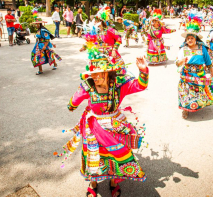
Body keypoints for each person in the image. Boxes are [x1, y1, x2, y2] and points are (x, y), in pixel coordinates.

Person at [58, 30, 149, 197]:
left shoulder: (118, 85)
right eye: (93, 73)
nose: (96, 76)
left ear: (108, 72)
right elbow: (75, 100)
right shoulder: (88, 86)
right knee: (94, 155)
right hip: (93, 126)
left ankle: (114, 181)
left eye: (100, 72)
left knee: (116, 153)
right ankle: (93, 184)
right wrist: (71, 105)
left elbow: (140, 86)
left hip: (115, 125)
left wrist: (143, 71)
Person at [177, 13, 213, 119]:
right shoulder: (183, 49)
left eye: (192, 38)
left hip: (199, 74)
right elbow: (177, 63)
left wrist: (211, 71)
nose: (190, 40)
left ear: (196, 39)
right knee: (185, 92)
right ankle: (185, 109)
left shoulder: (202, 48)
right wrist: (181, 62)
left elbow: (207, 61)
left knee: (199, 91)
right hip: (186, 75)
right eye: (188, 38)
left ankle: (197, 104)